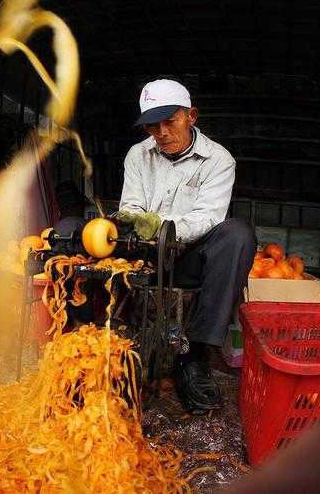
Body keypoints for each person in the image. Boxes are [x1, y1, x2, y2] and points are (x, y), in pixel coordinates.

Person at [118, 79, 256, 414]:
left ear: (191, 115)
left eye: (171, 121)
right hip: (143, 255)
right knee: (76, 232)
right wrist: (137, 225)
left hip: (188, 256)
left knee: (237, 235)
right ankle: (105, 345)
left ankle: (194, 358)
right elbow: (131, 206)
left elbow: (208, 217)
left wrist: (166, 230)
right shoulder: (138, 154)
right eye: (153, 125)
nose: (162, 132)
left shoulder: (218, 160)